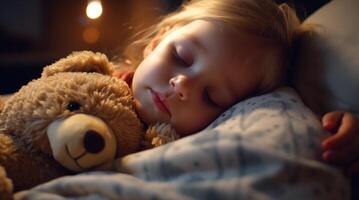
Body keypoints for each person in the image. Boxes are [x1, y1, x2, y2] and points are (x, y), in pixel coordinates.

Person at [112, 0, 359, 174]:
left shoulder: (194, 143)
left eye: (211, 96)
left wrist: (335, 129)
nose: (182, 86)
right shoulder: (95, 79)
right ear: (157, 42)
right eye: (182, 57)